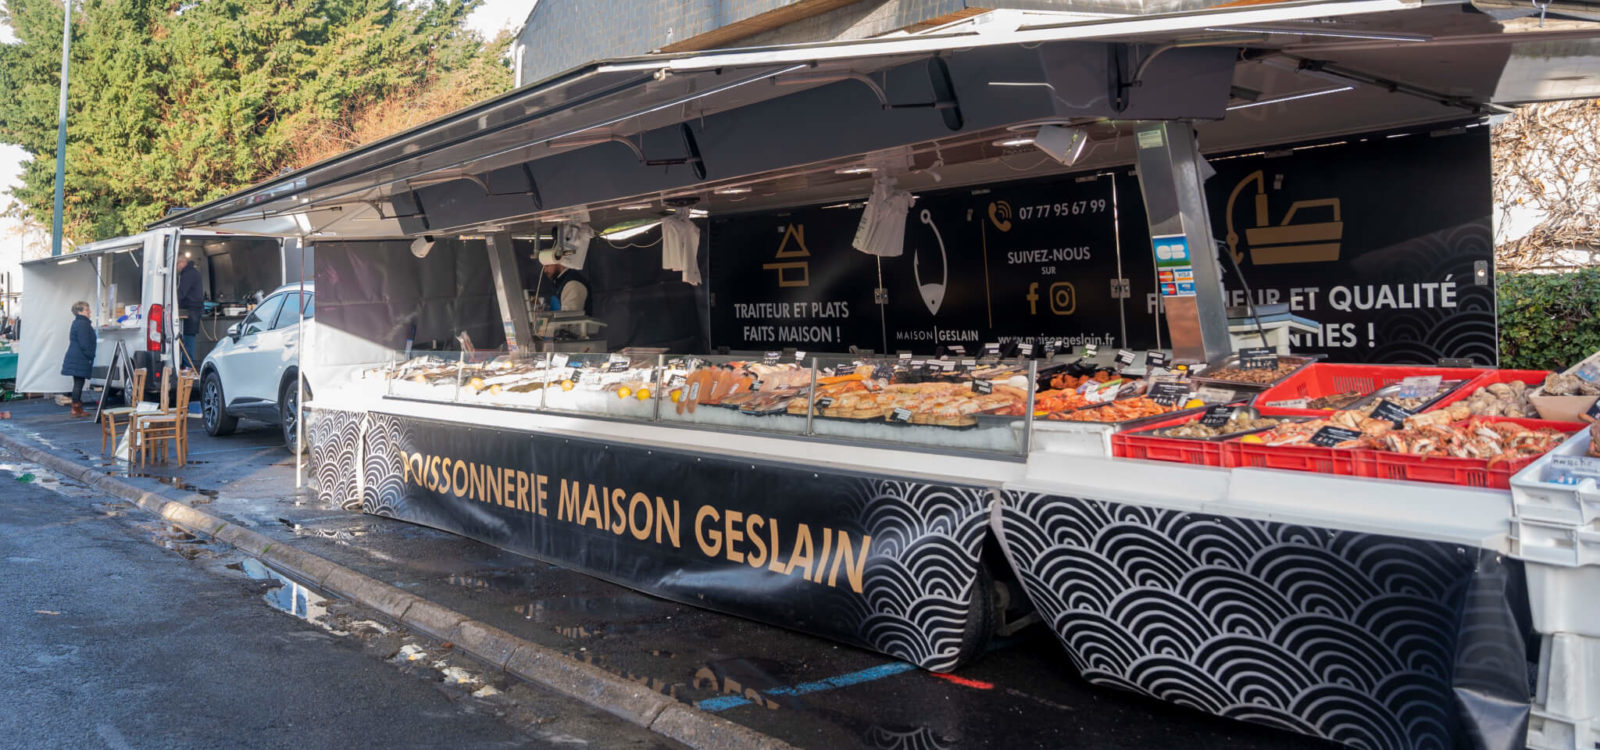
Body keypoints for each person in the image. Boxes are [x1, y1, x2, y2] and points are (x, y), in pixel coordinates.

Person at [61, 301, 96, 418]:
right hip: (80, 357)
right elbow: (84, 343)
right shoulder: (83, 324)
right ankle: (76, 408)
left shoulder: (78, 322)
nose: (89, 312)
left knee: (78, 382)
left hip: (76, 356)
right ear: (79, 311)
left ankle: (77, 407)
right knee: (78, 383)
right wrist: (90, 355)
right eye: (87, 310)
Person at [176, 255, 204, 369]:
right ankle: (187, 364)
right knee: (189, 338)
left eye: (177, 265)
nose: (176, 269)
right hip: (194, 310)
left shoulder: (188, 275)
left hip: (191, 311)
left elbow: (181, 293)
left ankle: (188, 366)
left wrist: (170, 303)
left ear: (182, 263)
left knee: (188, 338)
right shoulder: (193, 272)